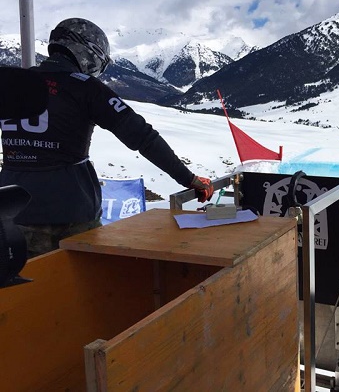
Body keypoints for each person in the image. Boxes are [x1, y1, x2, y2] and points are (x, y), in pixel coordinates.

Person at [0, 18, 215, 258]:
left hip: (13, 213)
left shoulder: (10, 82)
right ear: (88, 53)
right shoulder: (85, 87)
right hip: (71, 211)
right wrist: (189, 179)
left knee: (22, 294)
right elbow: (143, 137)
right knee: (82, 289)